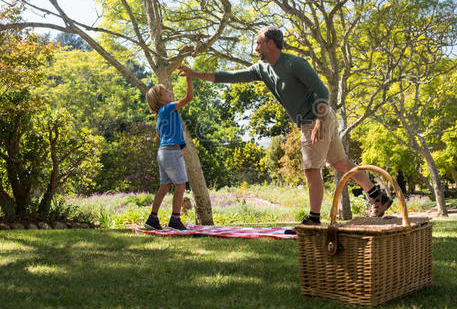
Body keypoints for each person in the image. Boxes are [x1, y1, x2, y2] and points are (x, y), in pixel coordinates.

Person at [178, 26, 393, 225]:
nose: (255, 48)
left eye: (258, 43)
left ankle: (314, 218)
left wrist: (318, 120)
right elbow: (232, 76)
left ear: (270, 43)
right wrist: (196, 75)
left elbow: (322, 91)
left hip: (317, 119)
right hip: (314, 120)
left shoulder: (294, 64)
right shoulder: (262, 68)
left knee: (311, 169)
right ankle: (378, 197)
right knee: (341, 163)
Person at [143, 77, 193, 230]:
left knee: (164, 187)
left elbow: (158, 139)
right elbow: (188, 98)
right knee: (180, 186)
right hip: (171, 152)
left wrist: (180, 146)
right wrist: (189, 79)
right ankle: (175, 220)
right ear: (160, 98)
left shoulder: (160, 116)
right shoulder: (169, 108)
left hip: (163, 153)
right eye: (165, 91)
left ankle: (152, 218)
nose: (169, 91)